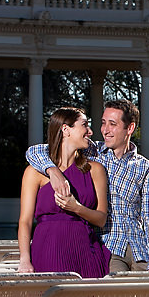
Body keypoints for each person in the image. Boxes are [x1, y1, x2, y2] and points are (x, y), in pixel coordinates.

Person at [26, 99, 149, 272]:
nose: (105, 130)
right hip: (110, 245)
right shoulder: (93, 153)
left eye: (112, 124)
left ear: (129, 128)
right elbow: (36, 151)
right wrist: (52, 171)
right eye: (103, 123)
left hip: (140, 250)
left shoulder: (146, 169)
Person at [18, 107, 111, 277]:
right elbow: (25, 221)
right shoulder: (34, 173)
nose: (90, 131)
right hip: (46, 249)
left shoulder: (95, 169)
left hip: (84, 251)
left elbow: (101, 219)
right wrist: (24, 259)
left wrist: (76, 208)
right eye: (85, 125)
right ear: (66, 130)